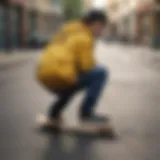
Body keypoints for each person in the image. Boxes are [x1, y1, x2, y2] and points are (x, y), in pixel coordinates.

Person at [36, 10, 109, 124]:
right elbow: (86, 66)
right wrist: (95, 64)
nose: (101, 30)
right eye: (102, 27)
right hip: (59, 74)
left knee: (72, 78)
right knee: (100, 73)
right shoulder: (85, 37)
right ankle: (86, 114)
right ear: (95, 24)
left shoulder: (68, 30)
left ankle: (54, 112)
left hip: (45, 74)